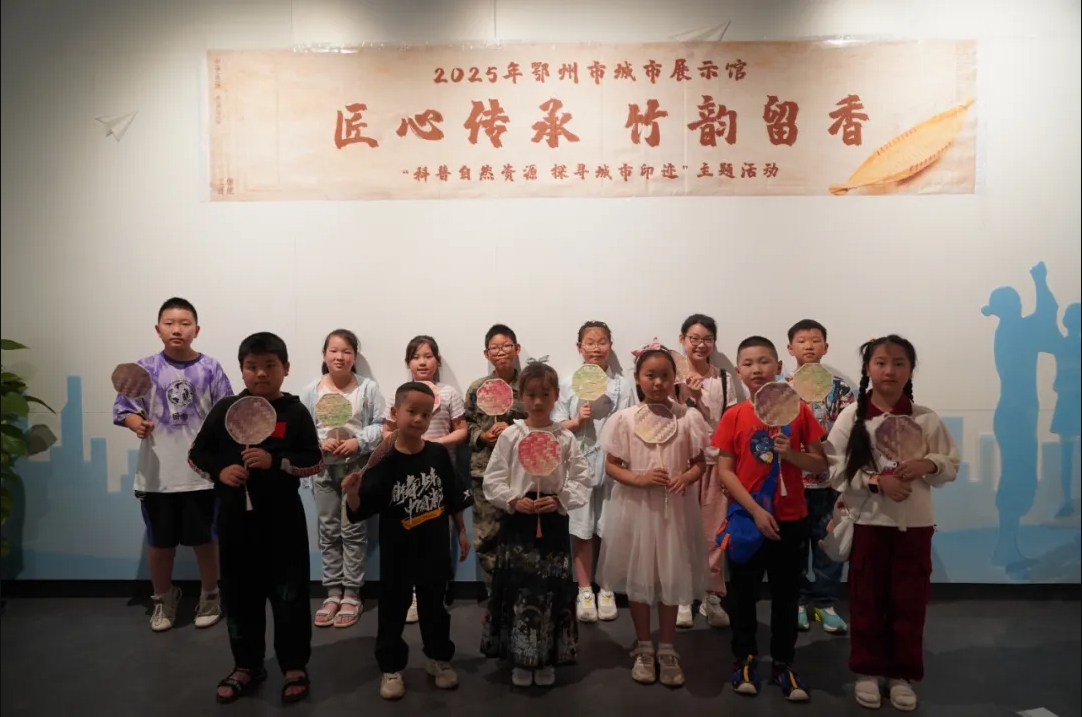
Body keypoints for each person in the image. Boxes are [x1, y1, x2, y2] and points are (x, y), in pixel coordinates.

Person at [825, 335, 959, 711]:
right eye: (881, 362)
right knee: (866, 601)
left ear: (910, 370)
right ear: (868, 369)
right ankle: (867, 671)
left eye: (899, 363)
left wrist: (928, 463)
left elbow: (951, 464)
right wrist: (875, 481)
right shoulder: (852, 417)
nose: (889, 370)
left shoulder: (925, 418)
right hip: (868, 524)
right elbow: (835, 470)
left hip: (914, 527)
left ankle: (902, 675)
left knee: (909, 603)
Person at [188, 332, 322, 705]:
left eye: (269, 365)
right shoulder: (226, 409)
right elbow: (198, 453)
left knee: (290, 598)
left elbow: (314, 460)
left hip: (283, 526)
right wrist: (221, 470)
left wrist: (276, 461)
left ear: (285, 368)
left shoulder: (295, 412)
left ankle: (294, 665)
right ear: (242, 370)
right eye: (252, 366)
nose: (261, 373)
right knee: (240, 598)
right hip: (235, 526)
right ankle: (246, 665)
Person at [713, 335, 827, 702]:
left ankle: (783, 663)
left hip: (790, 519)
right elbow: (725, 470)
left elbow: (819, 462)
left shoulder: (800, 412)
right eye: (748, 363)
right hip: (747, 519)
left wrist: (791, 455)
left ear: (779, 366)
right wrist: (755, 510)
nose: (756, 369)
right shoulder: (734, 415)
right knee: (742, 596)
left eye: (764, 361)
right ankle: (744, 660)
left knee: (786, 596)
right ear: (739, 371)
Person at [342, 382, 472, 701]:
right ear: (395, 412)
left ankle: (438, 658)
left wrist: (461, 531)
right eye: (412, 411)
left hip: (434, 548)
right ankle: (391, 667)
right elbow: (361, 509)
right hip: (397, 550)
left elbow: (452, 497)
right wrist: (354, 493)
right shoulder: (383, 461)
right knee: (392, 609)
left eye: (426, 415)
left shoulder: (438, 454)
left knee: (435, 608)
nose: (418, 419)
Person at [111, 297, 233, 632]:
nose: (176, 329)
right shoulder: (145, 368)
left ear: (197, 329)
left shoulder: (211, 368)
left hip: (201, 476)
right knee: (160, 543)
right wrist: (136, 423)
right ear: (158, 329)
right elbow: (124, 409)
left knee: (205, 540)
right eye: (169, 323)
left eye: (184, 323)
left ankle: (211, 595)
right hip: (157, 477)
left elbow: (226, 413)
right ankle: (163, 599)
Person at [597, 340, 711, 688]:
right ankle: (644, 646)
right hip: (637, 510)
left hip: (673, 512)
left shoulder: (688, 418)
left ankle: (668, 648)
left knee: (670, 578)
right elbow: (612, 465)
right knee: (641, 578)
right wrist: (640, 479)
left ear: (675, 377)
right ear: (638, 378)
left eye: (664, 375)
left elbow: (699, 463)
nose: (658, 382)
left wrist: (685, 478)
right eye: (650, 375)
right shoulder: (624, 420)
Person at [481, 360, 591, 688]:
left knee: (550, 590)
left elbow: (582, 478)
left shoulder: (564, 437)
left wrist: (560, 499)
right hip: (518, 521)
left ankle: (546, 658)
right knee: (519, 588)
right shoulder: (511, 435)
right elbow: (493, 478)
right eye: (531, 395)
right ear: (521, 396)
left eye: (545, 394)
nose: (538, 401)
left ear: (556, 395)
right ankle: (520, 657)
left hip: (552, 520)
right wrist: (513, 499)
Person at [299, 329, 384, 629]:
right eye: (334, 351)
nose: (340, 357)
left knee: (354, 530)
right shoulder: (311, 391)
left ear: (354, 356)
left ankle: (352, 593)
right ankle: (332, 592)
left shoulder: (367, 388)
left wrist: (358, 442)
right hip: (322, 469)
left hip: (356, 470)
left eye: (347, 351)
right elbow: (303, 430)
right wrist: (318, 444)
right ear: (324, 355)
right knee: (328, 529)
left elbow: (381, 425)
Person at [553, 321, 635, 623]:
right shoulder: (566, 384)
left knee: (610, 529)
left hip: (614, 465)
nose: (596, 348)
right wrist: (577, 421)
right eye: (590, 342)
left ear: (610, 346)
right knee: (582, 528)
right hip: (578, 465)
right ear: (579, 347)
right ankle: (585, 590)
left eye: (602, 342)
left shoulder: (622, 385)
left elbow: (633, 423)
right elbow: (554, 426)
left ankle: (607, 588)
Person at [383, 335, 468, 621]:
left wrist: (434, 445)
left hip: (440, 474)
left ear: (438, 361)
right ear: (407, 362)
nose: (422, 362)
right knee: (408, 533)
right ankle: (412, 594)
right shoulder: (399, 394)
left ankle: (434, 591)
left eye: (428, 356)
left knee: (440, 534)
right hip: (405, 476)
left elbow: (462, 431)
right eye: (416, 357)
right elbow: (386, 432)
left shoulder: (450, 393)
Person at [785, 319, 855, 634]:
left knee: (829, 543)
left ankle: (825, 603)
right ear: (790, 348)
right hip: (792, 482)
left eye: (815, 340)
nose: (809, 346)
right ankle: (798, 602)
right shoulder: (781, 389)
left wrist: (825, 448)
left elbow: (850, 430)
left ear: (826, 347)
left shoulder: (841, 389)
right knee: (794, 547)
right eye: (802, 341)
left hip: (829, 482)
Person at [674, 313, 736, 629]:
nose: (700, 344)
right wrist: (691, 398)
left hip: (714, 463)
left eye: (707, 339)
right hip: (683, 465)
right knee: (681, 530)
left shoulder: (724, 379)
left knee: (714, 533)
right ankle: (683, 595)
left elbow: (731, 422)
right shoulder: (672, 378)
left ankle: (711, 595)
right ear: (682, 339)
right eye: (694, 338)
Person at [464, 324, 527, 592]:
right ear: (486, 354)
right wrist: (482, 435)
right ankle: (495, 596)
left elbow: (541, 423)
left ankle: (519, 596)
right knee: (487, 536)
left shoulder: (529, 386)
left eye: (506, 346)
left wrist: (514, 428)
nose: (501, 352)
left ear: (517, 349)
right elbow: (466, 424)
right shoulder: (478, 388)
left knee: (521, 536)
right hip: (485, 471)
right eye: (494, 348)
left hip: (521, 473)